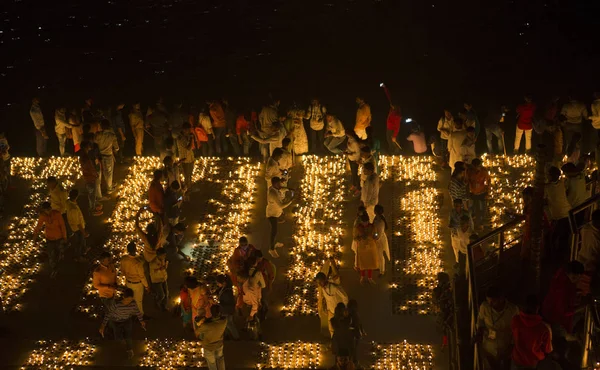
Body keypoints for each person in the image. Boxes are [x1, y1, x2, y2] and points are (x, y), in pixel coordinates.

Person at [476, 286, 519, 370]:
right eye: (488, 301)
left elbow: (517, 329)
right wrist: (479, 332)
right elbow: (480, 320)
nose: (490, 304)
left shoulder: (513, 310)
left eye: (493, 301)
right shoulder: (484, 307)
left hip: (506, 347)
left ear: (501, 299)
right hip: (489, 347)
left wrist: (512, 346)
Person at [99, 288, 146, 359]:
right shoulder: (117, 304)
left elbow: (137, 312)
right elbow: (108, 314)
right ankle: (120, 340)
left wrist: (141, 321)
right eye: (127, 299)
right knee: (118, 336)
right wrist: (103, 326)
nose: (129, 301)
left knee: (128, 335)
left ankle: (129, 349)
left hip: (127, 320)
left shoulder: (133, 303)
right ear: (123, 297)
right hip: (116, 321)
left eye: (130, 299)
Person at [541, 261, 584, 338]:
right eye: (575, 277)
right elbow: (565, 311)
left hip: (551, 315)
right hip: (556, 320)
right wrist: (583, 306)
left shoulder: (561, 277)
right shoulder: (562, 287)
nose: (577, 280)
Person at [511, 295, 553, 370]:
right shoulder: (544, 328)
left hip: (517, 359)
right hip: (532, 362)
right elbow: (547, 349)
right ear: (538, 308)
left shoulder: (515, 320)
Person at [544, 166, 572, 260]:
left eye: (548, 174)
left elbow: (544, 200)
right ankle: (561, 255)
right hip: (568, 213)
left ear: (551, 176)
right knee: (563, 237)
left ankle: (552, 257)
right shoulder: (562, 183)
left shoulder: (547, 187)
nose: (547, 176)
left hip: (559, 216)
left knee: (551, 237)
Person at [34, 201, 67, 278]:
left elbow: (62, 226)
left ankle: (60, 259)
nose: (48, 211)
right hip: (49, 238)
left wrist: (65, 237)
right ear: (44, 210)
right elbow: (38, 226)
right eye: (46, 210)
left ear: (51, 208)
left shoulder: (57, 214)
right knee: (51, 255)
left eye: (49, 209)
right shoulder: (43, 216)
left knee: (59, 252)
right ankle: (54, 269)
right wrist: (35, 236)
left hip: (59, 237)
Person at [266, 177, 293, 258]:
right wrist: (291, 200)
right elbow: (281, 205)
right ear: (274, 184)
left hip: (277, 213)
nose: (280, 185)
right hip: (272, 215)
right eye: (278, 184)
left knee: (277, 229)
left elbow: (281, 189)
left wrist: (288, 189)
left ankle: (275, 243)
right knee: (274, 231)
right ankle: (271, 249)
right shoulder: (273, 193)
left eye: (279, 183)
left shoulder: (273, 188)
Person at [315, 272, 348, 337]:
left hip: (339, 313)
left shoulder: (334, 287)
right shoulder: (323, 287)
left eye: (320, 282)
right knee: (331, 330)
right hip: (330, 312)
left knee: (340, 329)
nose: (319, 284)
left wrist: (344, 309)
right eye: (318, 282)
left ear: (324, 280)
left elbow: (345, 297)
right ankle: (334, 343)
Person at [120, 241, 149, 316]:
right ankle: (140, 315)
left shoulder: (123, 259)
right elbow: (142, 276)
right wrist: (146, 286)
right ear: (135, 249)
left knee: (130, 299)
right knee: (138, 300)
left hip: (128, 282)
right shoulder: (138, 262)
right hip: (137, 284)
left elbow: (122, 271)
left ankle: (131, 314)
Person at [194, 305, 227, 370]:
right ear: (220, 312)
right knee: (220, 360)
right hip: (219, 345)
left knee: (212, 364)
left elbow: (196, 333)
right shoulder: (224, 321)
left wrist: (200, 322)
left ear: (211, 312)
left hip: (209, 347)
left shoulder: (206, 325)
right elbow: (216, 320)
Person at [79, 141, 103, 216]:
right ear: (86, 147)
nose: (90, 147)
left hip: (88, 176)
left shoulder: (83, 155)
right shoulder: (85, 157)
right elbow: (89, 167)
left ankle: (93, 205)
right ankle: (92, 210)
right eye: (88, 146)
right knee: (92, 193)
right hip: (90, 177)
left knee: (92, 193)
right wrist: (95, 174)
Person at [353, 213, 379, 284]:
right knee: (362, 263)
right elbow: (355, 238)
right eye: (363, 222)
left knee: (370, 263)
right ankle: (362, 277)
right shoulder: (358, 228)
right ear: (361, 221)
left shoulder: (372, 227)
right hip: (362, 247)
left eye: (366, 222)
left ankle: (370, 277)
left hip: (371, 247)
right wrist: (360, 237)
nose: (365, 224)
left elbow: (375, 235)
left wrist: (375, 237)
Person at [95, 119, 119, 194]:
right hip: (108, 156)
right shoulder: (112, 135)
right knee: (108, 173)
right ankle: (109, 189)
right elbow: (117, 148)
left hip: (99, 156)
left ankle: (99, 190)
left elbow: (94, 144)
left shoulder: (98, 135)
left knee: (99, 173)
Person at [466, 158, 490, 230]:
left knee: (483, 208)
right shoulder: (469, 171)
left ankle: (481, 223)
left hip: (482, 192)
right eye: (476, 167)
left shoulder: (484, 172)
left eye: (479, 166)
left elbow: (488, 182)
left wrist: (487, 191)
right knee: (474, 208)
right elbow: (468, 181)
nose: (477, 168)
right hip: (473, 193)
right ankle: (475, 223)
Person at [66, 189, 89, 262]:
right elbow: (77, 223)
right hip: (77, 228)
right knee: (79, 242)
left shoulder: (68, 203)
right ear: (76, 197)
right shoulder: (74, 209)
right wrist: (84, 232)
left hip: (75, 226)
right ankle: (78, 257)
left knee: (81, 240)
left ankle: (84, 249)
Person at [215, 274, 240, 340]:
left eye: (218, 283)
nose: (217, 284)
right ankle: (226, 336)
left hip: (227, 310)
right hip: (224, 309)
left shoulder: (227, 291)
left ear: (223, 283)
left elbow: (228, 303)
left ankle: (236, 337)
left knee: (229, 323)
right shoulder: (224, 288)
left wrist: (218, 303)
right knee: (225, 323)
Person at [150, 247, 169, 312]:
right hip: (157, 280)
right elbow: (153, 271)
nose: (164, 256)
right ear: (158, 255)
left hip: (163, 278)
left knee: (166, 293)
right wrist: (160, 268)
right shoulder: (153, 262)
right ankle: (157, 302)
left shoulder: (163, 260)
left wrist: (164, 267)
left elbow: (163, 269)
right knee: (161, 295)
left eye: (165, 255)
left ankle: (164, 306)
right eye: (163, 255)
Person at [373, 205, 390, 276]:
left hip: (380, 241)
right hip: (378, 239)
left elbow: (378, 234)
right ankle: (379, 267)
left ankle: (382, 271)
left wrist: (374, 237)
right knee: (378, 255)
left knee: (380, 255)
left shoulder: (380, 222)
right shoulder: (378, 218)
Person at [346, 132, 362, 197]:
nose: (347, 135)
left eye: (347, 134)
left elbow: (358, 153)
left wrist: (349, 154)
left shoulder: (355, 143)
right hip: (350, 158)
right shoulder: (349, 139)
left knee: (355, 173)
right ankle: (354, 184)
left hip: (355, 159)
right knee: (353, 172)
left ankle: (358, 188)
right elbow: (348, 147)